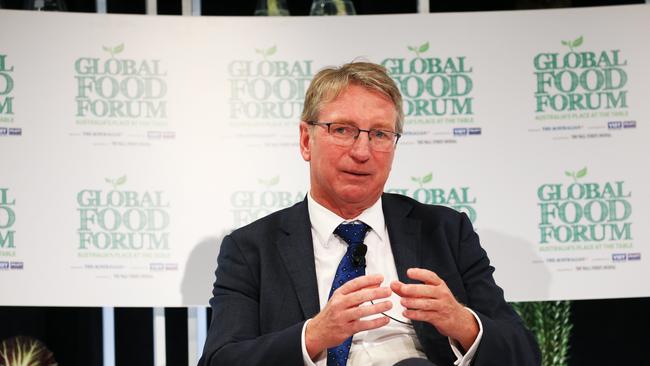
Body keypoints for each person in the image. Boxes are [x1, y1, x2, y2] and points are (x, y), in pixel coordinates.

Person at [199, 62, 540, 366]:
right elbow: (220, 359)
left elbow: (524, 353)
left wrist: (463, 324)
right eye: (343, 130)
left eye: (379, 134)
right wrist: (314, 335)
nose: (362, 152)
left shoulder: (445, 231)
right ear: (306, 140)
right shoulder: (251, 249)